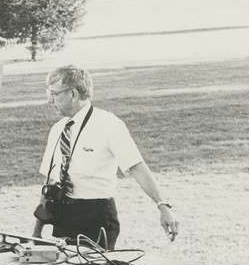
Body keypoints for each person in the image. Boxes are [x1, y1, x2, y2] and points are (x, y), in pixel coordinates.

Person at [34, 65, 179, 249]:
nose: (50, 100)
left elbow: (136, 167)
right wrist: (36, 233)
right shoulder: (57, 130)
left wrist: (162, 205)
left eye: (54, 94)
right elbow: (50, 182)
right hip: (62, 216)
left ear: (73, 93)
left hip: (96, 217)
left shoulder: (108, 124)